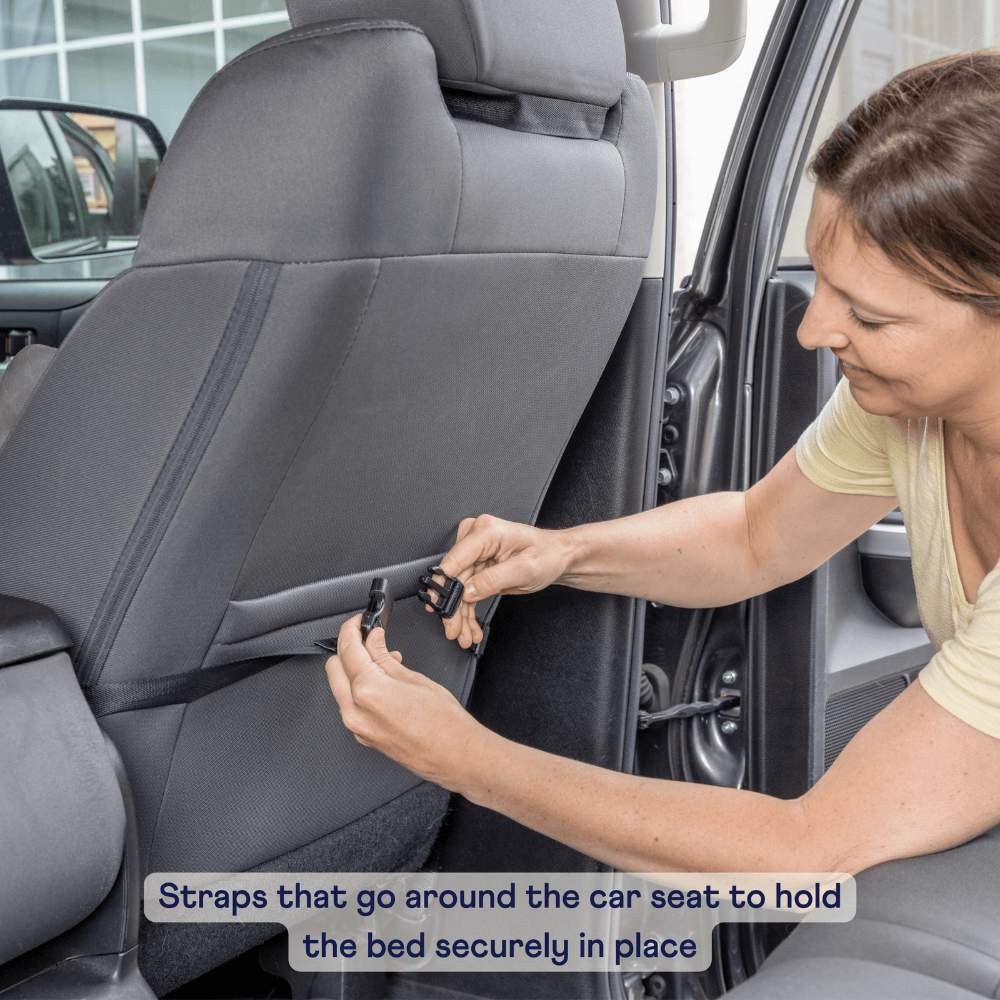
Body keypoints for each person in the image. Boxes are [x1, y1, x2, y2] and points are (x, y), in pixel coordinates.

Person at [325, 50, 1000, 876]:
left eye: (868, 314)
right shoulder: (908, 413)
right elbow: (758, 536)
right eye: (820, 282)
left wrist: (466, 758)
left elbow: (809, 847)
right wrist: (564, 553)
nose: (812, 331)